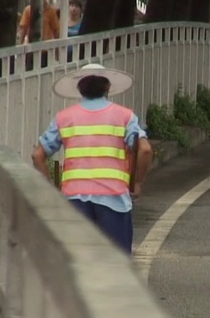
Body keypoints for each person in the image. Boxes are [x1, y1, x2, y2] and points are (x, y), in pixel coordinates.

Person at [31, 63, 153, 255]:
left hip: (74, 199)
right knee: (117, 264)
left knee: (79, 263)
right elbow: (144, 150)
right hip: (113, 198)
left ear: (80, 89)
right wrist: (137, 182)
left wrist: (51, 189)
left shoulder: (64, 117)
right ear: (107, 88)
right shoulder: (125, 116)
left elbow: (38, 155)